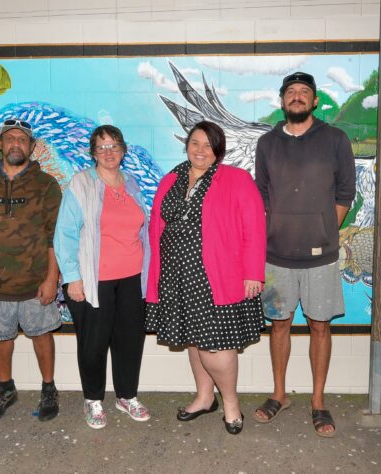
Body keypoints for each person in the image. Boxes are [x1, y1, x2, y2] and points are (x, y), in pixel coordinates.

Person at [146, 121, 266, 435]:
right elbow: (156, 227)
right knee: (194, 339)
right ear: (187, 145)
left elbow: (254, 228)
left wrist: (253, 273)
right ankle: (203, 397)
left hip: (217, 276)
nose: (200, 150)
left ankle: (230, 404)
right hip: (176, 274)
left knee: (215, 346)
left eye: (208, 145)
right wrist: (156, 276)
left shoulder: (237, 179)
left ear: (218, 150)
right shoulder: (170, 179)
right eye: (195, 143)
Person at [253, 72, 356, 438]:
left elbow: (345, 192)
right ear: (282, 101)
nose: (297, 97)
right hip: (276, 255)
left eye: (304, 92)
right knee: (278, 325)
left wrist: (323, 227)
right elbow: (261, 195)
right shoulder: (266, 143)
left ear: (315, 102)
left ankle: (317, 402)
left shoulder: (335, 139)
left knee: (320, 326)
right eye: (291, 92)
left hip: (321, 257)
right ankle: (279, 395)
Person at [0, 119, 62, 423]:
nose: (16, 144)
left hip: (35, 282)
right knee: (0, 338)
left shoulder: (47, 185)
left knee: (41, 334)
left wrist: (51, 278)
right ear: (0, 143)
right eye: (10, 138)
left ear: (31, 147)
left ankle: (49, 388)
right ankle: (6, 389)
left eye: (22, 139)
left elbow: (54, 235)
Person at [53, 125, 152, 430]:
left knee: (129, 342)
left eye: (114, 146)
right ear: (92, 152)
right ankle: (93, 399)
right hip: (93, 280)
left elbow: (142, 232)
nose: (109, 152)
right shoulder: (81, 183)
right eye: (102, 147)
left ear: (123, 150)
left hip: (132, 278)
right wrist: (72, 278)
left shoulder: (132, 184)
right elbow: (64, 234)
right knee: (93, 343)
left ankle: (127, 396)